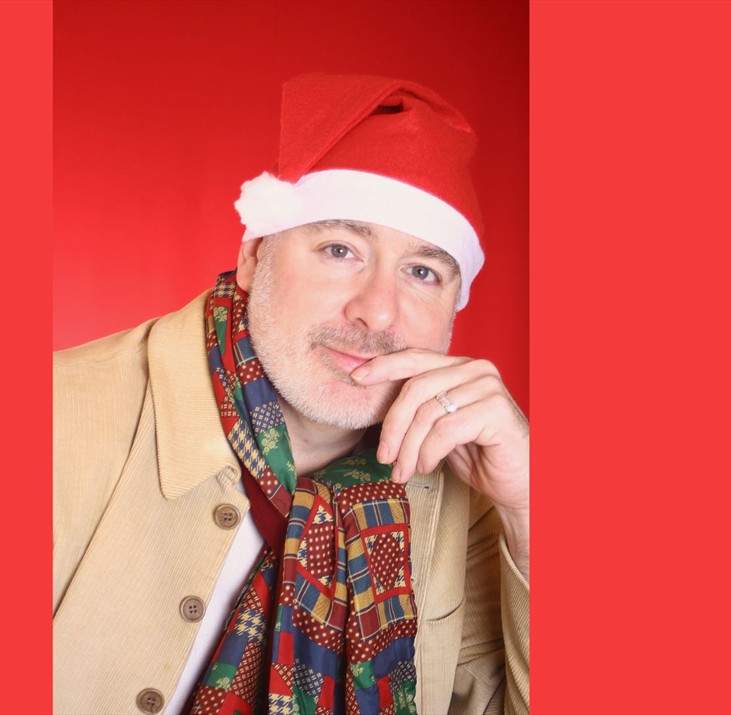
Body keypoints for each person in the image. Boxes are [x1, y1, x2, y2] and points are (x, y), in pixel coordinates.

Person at [53, 73, 529, 715]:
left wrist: (532, 507)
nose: (378, 314)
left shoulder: (465, 497)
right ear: (253, 257)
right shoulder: (56, 417)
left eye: (421, 272)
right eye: (340, 249)